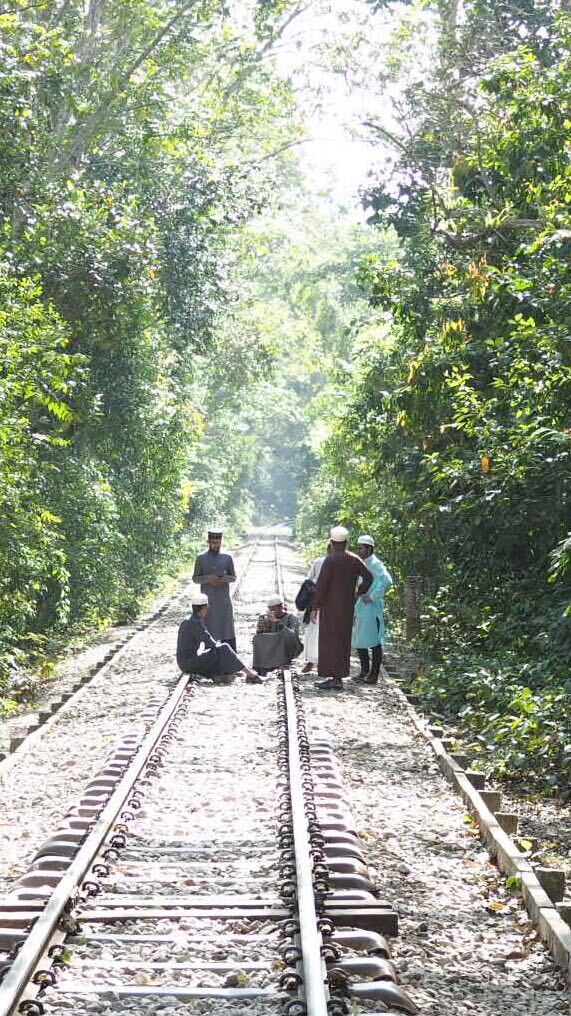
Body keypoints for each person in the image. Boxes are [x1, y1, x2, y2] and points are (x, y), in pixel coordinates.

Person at [311, 525, 373, 691]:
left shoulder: (330, 560)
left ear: (332, 542)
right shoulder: (353, 558)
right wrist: (358, 593)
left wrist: (314, 607)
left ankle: (334, 678)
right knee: (343, 640)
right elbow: (368, 577)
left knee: (329, 641)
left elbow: (321, 585)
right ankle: (338, 677)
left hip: (330, 608)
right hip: (347, 607)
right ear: (346, 542)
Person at [177, 593, 263, 684]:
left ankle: (238, 671)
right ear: (203, 608)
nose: (208, 609)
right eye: (207, 607)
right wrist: (220, 647)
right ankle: (250, 674)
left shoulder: (189, 620)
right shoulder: (195, 623)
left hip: (186, 662)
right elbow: (210, 643)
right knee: (224, 647)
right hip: (188, 664)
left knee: (221, 650)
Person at [352, 535, 393, 685]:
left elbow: (387, 580)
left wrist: (373, 596)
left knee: (375, 641)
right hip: (362, 605)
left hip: (371, 607)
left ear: (369, 549)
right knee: (359, 637)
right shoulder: (364, 562)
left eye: (361, 548)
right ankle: (364, 671)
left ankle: (373, 674)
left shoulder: (375, 563)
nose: (358, 550)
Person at [192, 527, 237, 651]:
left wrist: (223, 579)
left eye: (217, 542)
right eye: (213, 542)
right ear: (208, 542)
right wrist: (209, 579)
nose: (215, 545)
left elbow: (233, 577)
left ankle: (230, 656)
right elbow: (195, 578)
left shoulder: (227, 558)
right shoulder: (201, 558)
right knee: (209, 629)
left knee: (226, 629)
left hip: (223, 601)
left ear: (221, 542)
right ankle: (210, 655)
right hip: (208, 602)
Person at [252, 595, 303, 675]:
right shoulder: (265, 617)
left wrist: (277, 622)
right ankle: (259, 666)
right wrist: (263, 626)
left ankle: (279, 662)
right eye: (270, 609)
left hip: (288, 648)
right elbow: (263, 637)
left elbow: (292, 636)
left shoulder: (292, 618)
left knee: (281, 636)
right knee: (257, 638)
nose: (271, 611)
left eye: (273, 609)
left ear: (280, 607)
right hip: (273, 648)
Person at [300, 545, 330, 673]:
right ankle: (311, 661)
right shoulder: (319, 562)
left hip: (332, 603)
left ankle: (324, 662)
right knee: (313, 632)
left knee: (327, 633)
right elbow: (310, 580)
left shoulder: (342, 563)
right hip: (317, 601)